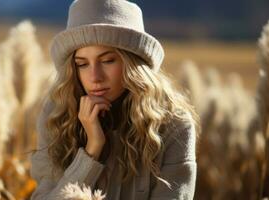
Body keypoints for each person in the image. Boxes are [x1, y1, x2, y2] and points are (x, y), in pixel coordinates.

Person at [30, 0, 200, 199]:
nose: (95, 77)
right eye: (82, 64)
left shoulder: (174, 125)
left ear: (132, 63)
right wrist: (91, 151)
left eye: (107, 60)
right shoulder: (57, 115)